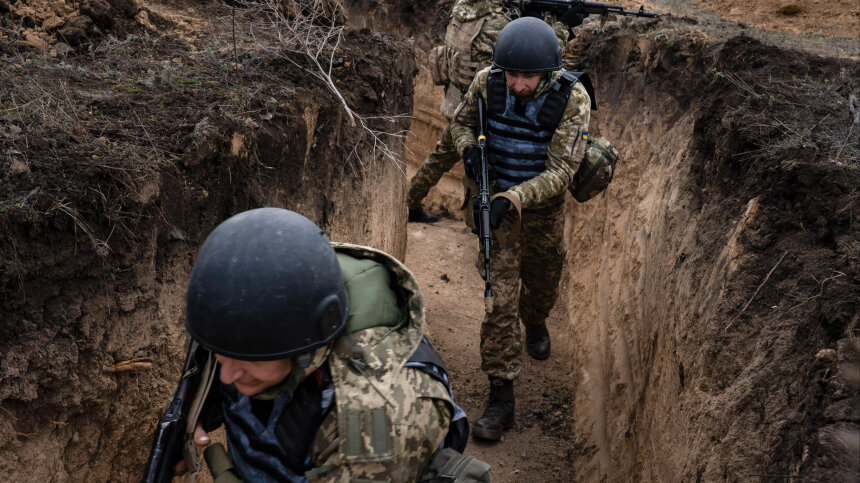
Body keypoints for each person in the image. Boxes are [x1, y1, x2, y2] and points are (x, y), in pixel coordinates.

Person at [177, 207, 468, 481]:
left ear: (305, 344)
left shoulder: (377, 422)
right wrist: (193, 418)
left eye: (249, 360)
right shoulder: (253, 311)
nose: (226, 375)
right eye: (221, 356)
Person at [448, 17, 592, 441]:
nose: (518, 84)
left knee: (543, 286)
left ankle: (537, 320)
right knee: (499, 300)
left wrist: (513, 200)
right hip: (497, 212)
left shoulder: (573, 98)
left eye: (528, 76)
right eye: (512, 74)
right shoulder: (486, 82)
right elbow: (458, 123)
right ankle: (501, 397)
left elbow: (564, 170)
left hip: (542, 212)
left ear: (547, 73)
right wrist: (468, 151)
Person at [407, 0, 574, 223]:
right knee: (484, 167)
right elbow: (531, 59)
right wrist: (561, 27)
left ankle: (410, 201)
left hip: (457, 98)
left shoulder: (465, 9)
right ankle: (488, 215)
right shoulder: (499, 23)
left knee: (439, 159)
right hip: (485, 105)